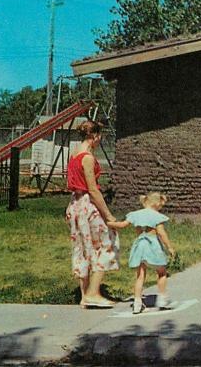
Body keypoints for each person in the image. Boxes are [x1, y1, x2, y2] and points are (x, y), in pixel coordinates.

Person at [65, 120, 120, 309]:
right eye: (99, 136)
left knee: (83, 248)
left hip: (75, 204)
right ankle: (93, 293)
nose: (100, 140)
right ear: (94, 136)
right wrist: (108, 215)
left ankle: (85, 295)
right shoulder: (87, 157)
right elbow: (93, 190)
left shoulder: (74, 153)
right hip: (87, 204)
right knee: (107, 243)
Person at [108, 192, 176, 314]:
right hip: (152, 245)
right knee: (161, 272)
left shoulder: (135, 214)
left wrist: (108, 223)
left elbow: (122, 225)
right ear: (156, 204)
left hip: (139, 245)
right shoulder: (157, 216)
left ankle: (137, 303)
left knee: (140, 276)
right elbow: (161, 233)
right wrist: (169, 247)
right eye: (161, 205)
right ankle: (162, 299)